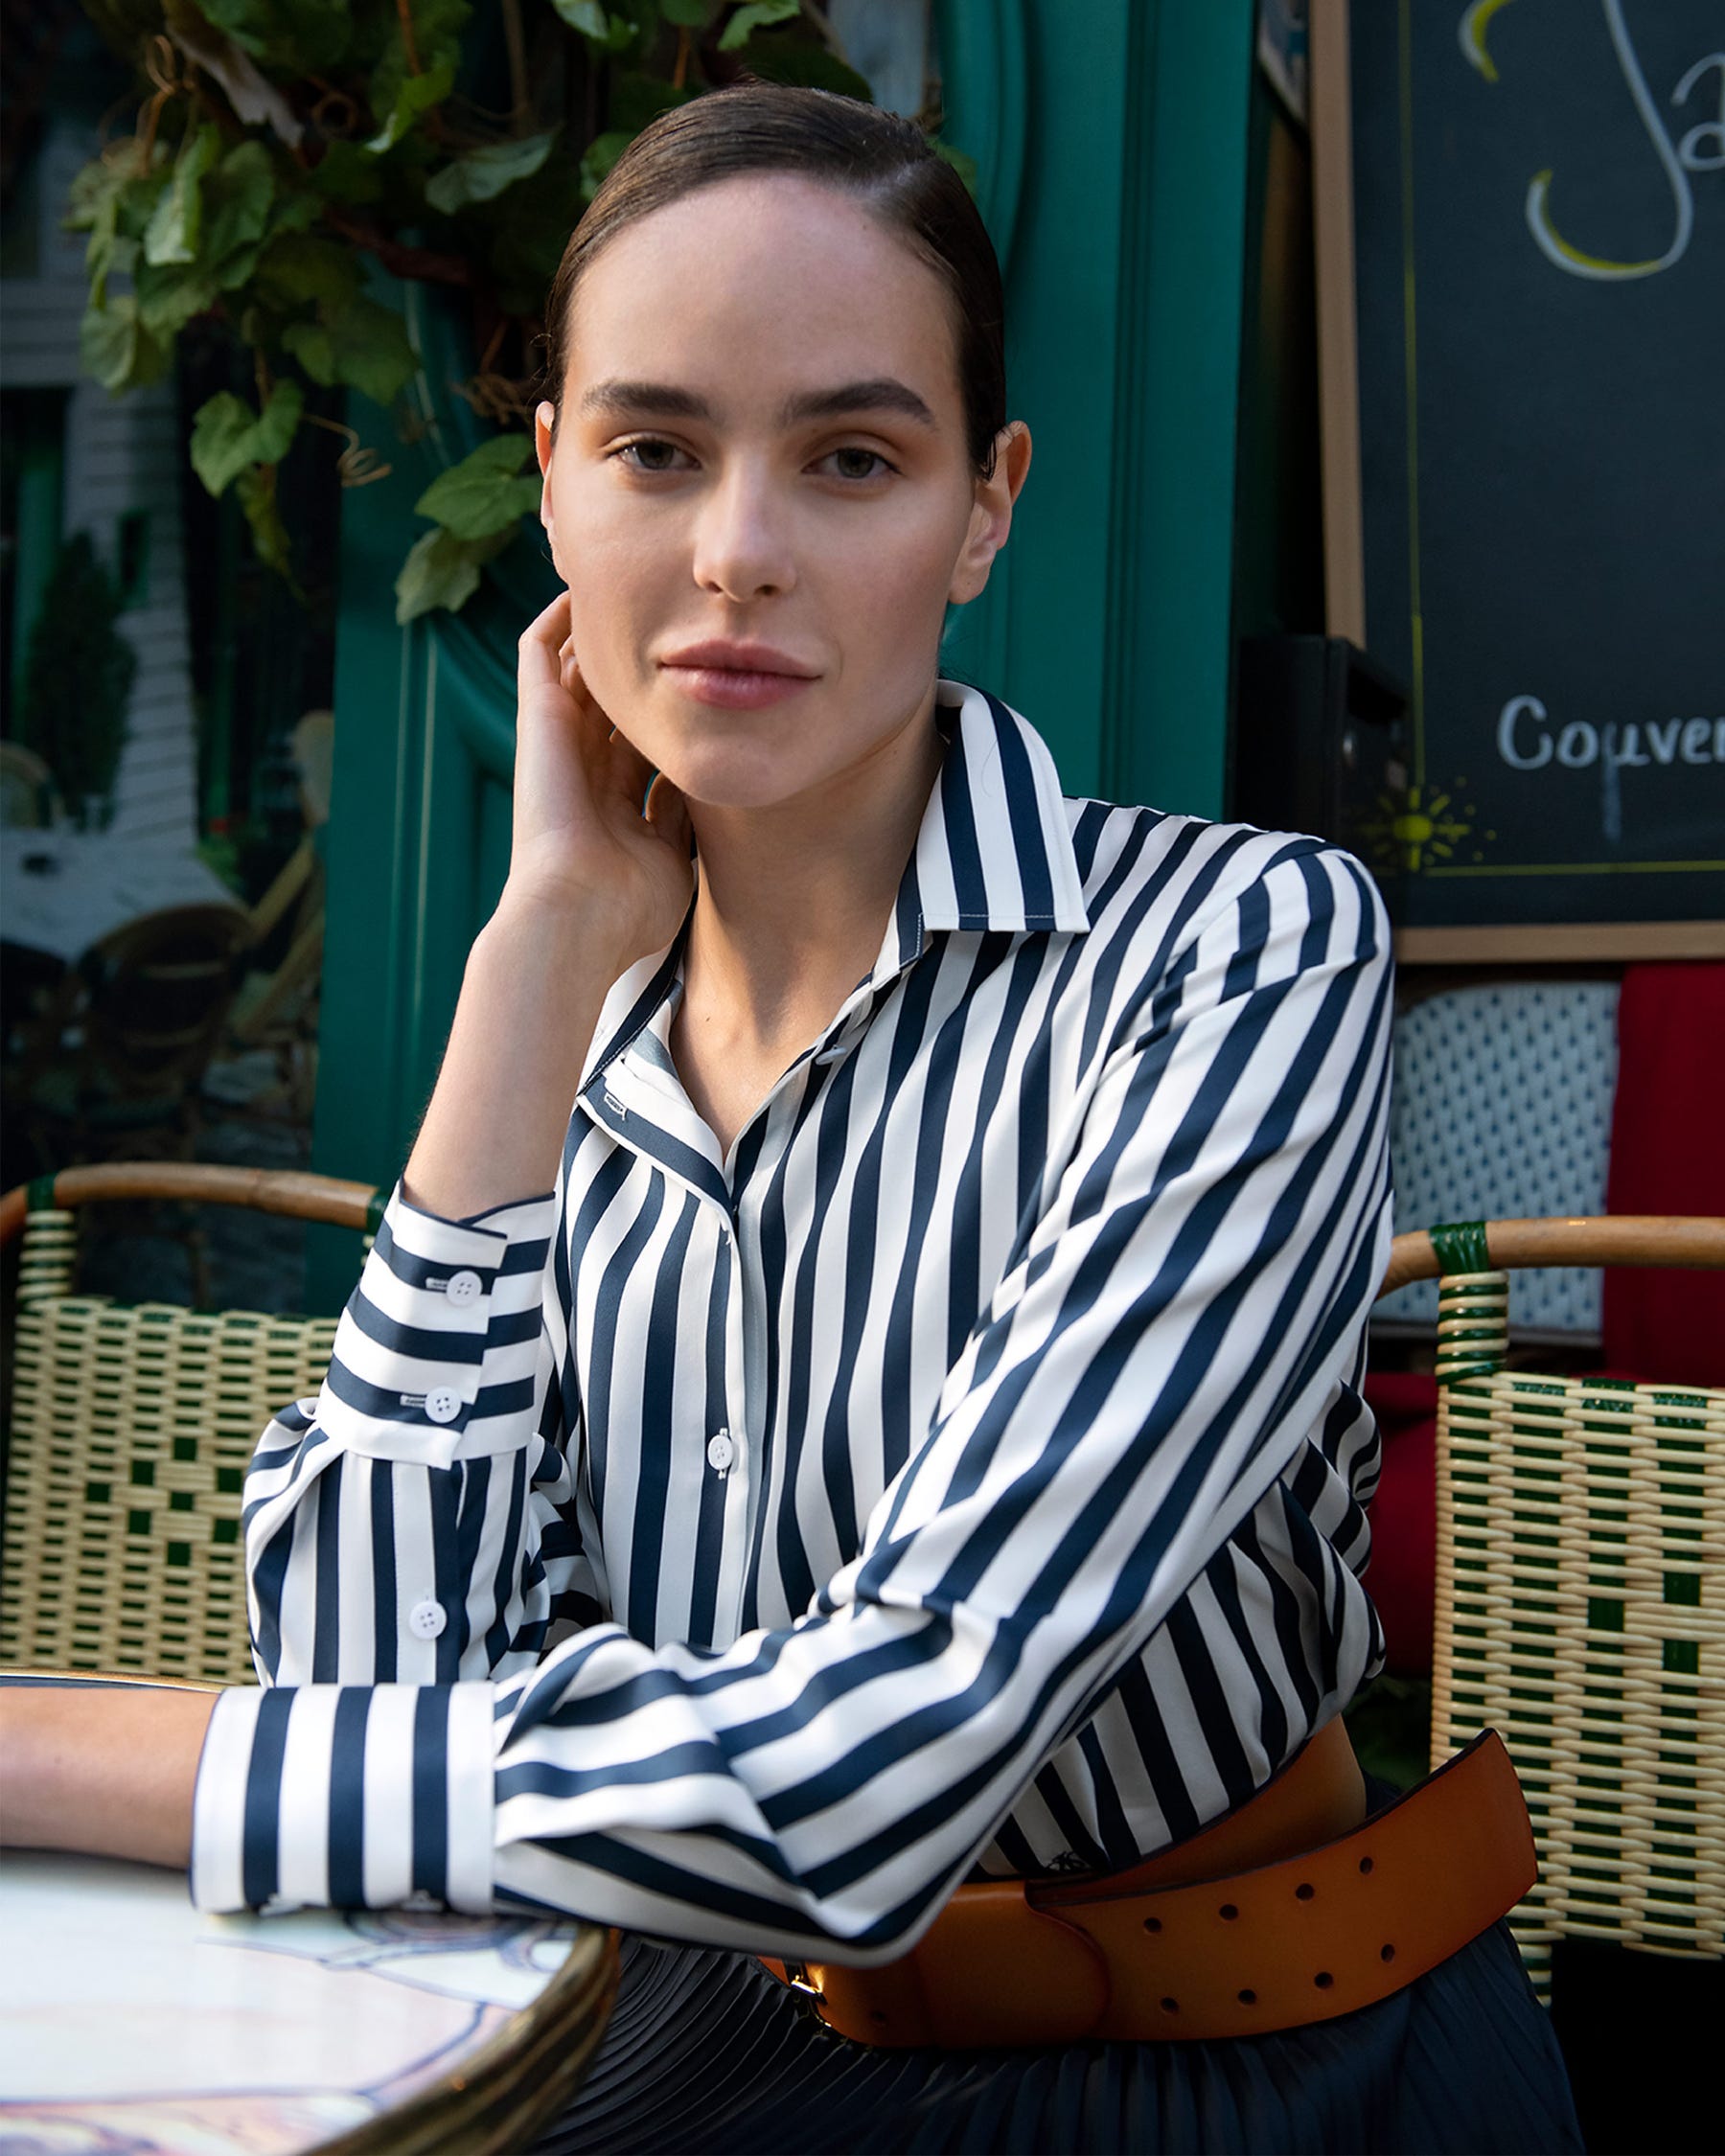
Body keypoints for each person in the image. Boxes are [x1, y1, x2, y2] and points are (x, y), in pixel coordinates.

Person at [2, 83, 1579, 2154]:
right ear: (553, 487)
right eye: (656, 449)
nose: (738, 553)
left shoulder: (1234, 954)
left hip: (1245, 2069)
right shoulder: (567, 1046)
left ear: (987, 506)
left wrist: (32, 1749)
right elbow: (371, 1690)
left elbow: (874, 1771)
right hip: (709, 2044)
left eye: (852, 458)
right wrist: (532, 959)